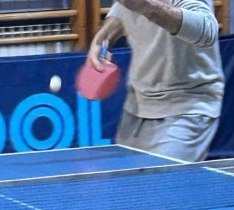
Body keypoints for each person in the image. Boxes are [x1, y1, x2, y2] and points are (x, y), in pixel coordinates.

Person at [87, 0, 225, 162]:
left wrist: (145, 6)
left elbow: (207, 29)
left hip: (185, 106)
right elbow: (123, 9)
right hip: (136, 107)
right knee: (126, 178)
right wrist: (102, 40)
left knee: (163, 177)